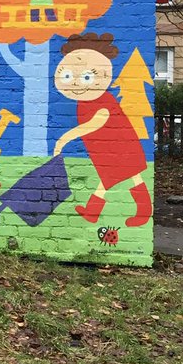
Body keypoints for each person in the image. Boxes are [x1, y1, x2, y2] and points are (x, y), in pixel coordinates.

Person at [51, 32, 150, 227]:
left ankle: (143, 211)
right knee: (108, 178)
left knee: (132, 175)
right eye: (67, 75)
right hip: (105, 148)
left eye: (87, 77)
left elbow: (95, 123)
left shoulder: (103, 100)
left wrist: (64, 139)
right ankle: (93, 212)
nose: (76, 83)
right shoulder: (84, 101)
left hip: (121, 146)